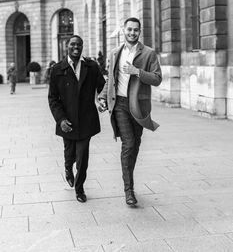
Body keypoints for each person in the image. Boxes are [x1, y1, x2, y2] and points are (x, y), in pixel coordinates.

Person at [98, 17, 162, 206]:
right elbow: (110, 79)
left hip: (138, 106)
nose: (132, 33)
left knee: (135, 144)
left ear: (139, 32)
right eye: (129, 29)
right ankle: (129, 190)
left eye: (136, 30)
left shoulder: (149, 54)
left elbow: (157, 79)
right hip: (119, 105)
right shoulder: (114, 53)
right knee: (129, 143)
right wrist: (103, 97)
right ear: (123, 30)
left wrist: (137, 72)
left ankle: (129, 180)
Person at [48, 35, 105, 202]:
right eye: (73, 44)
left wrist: (102, 100)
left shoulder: (92, 66)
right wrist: (61, 119)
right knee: (70, 154)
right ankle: (67, 169)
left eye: (79, 45)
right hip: (67, 121)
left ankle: (79, 189)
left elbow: (102, 86)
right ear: (67, 46)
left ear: (82, 47)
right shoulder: (57, 69)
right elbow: (53, 98)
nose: (76, 47)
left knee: (82, 157)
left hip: (86, 120)